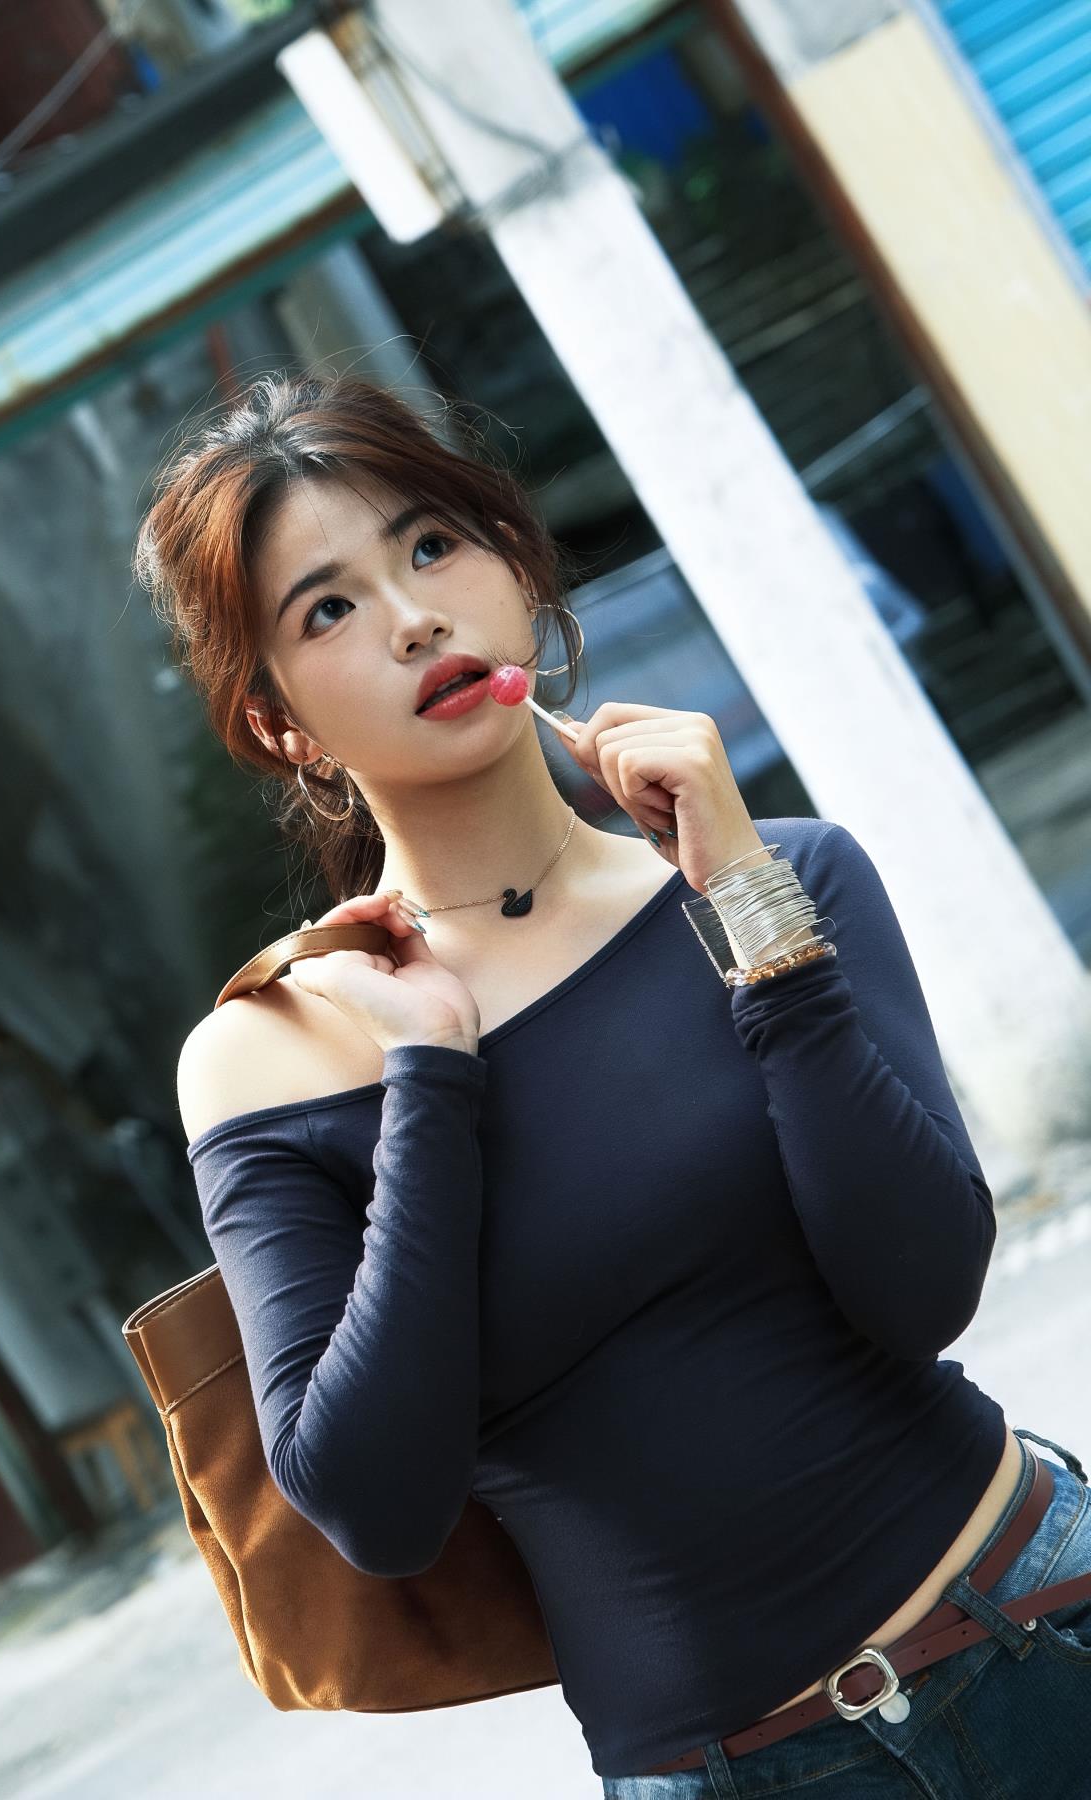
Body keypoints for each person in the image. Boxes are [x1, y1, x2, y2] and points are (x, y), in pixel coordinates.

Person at [135, 371, 1091, 1795]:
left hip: (1041, 1620)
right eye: (327, 610)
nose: (413, 618)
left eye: (432, 546)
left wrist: (750, 909)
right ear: (279, 724)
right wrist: (430, 1082)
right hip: (731, 1770)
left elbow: (923, 1287)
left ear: (517, 567)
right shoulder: (276, 1054)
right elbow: (375, 1505)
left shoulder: (779, 878)